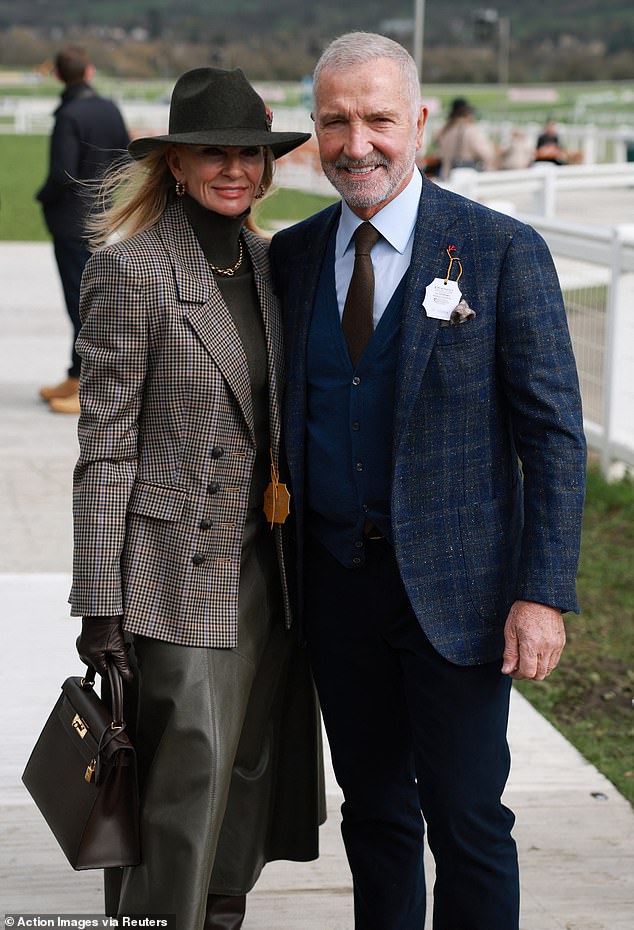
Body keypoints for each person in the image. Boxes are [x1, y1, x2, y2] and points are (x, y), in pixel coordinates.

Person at [270, 32, 586, 930]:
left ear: (417, 122)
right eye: (335, 122)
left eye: (377, 119)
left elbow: (554, 438)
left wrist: (542, 593)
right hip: (336, 592)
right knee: (372, 814)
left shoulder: (498, 250)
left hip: (462, 596)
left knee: (467, 819)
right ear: (314, 131)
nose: (356, 143)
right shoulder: (292, 260)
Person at [71, 67, 323, 930]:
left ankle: (221, 916)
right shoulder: (130, 272)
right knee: (186, 777)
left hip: (268, 566)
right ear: (174, 165)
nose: (234, 170)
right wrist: (100, 604)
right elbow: (103, 449)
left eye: (250, 154)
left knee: (248, 773)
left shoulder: (272, 262)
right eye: (212, 152)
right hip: (170, 570)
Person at [36, 46, 129, 415]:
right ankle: (76, 374)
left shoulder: (69, 115)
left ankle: (90, 388)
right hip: (100, 217)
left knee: (82, 306)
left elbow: (62, 174)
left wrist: (41, 197)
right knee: (87, 300)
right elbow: (126, 155)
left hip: (71, 222)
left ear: (59, 75)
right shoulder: (109, 108)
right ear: (89, 71)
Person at [434, 96, 494, 179]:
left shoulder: (445, 130)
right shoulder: (471, 130)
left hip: (447, 175)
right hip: (467, 177)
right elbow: (486, 154)